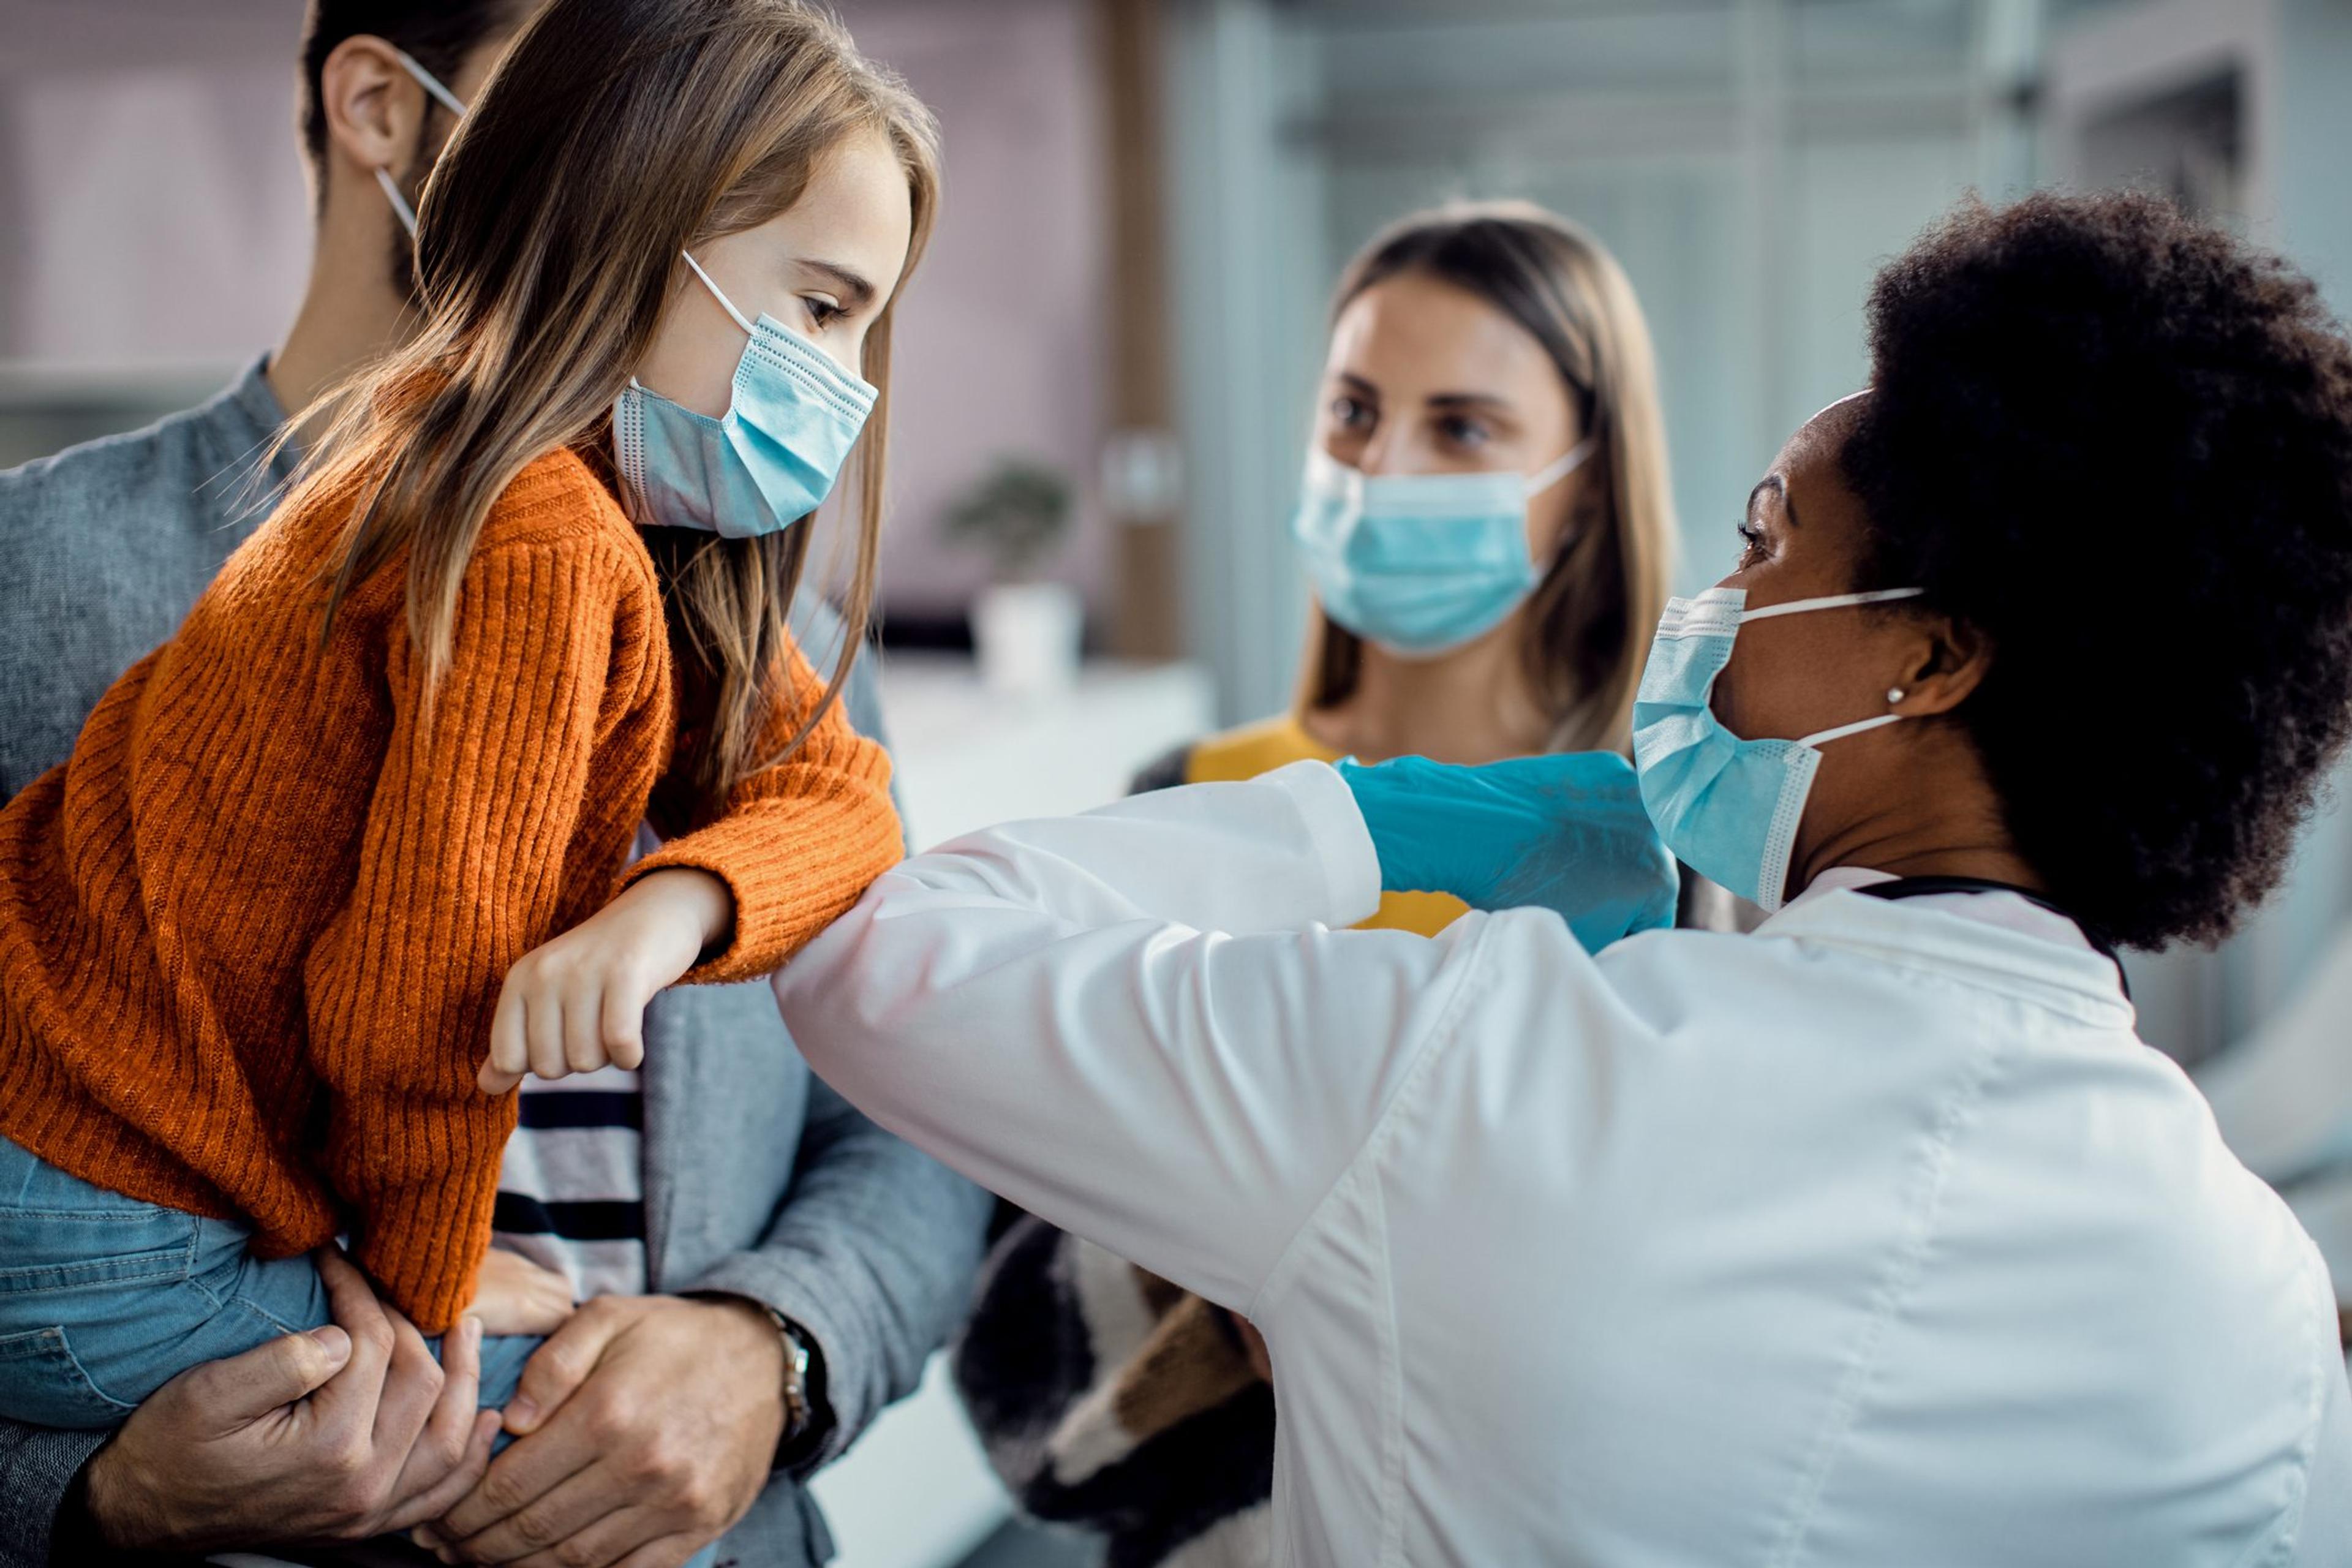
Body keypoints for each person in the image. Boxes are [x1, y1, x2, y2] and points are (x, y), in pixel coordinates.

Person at [777, 190, 2352, 1563]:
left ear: (1930, 656)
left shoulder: (1481, 1057)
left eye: (1766, 540)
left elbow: (880, 964)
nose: (1720, 598)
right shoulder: (2263, 1309)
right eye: (1353, 410)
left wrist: (1370, 826)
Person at [0, 4, 986, 1566]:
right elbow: (416, 997)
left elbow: (916, 1097)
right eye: (595, 75)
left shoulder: (714, 583)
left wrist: (770, 1350)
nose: (843, 382)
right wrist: (98, 1502)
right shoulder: (31, 570)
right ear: (389, 109)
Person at [952, 202, 1686, 1566]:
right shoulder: (1193, 797)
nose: (1383, 467)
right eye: (1354, 411)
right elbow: (1018, 1316)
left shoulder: (1664, 862)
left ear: (1586, 480)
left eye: (1462, 428)